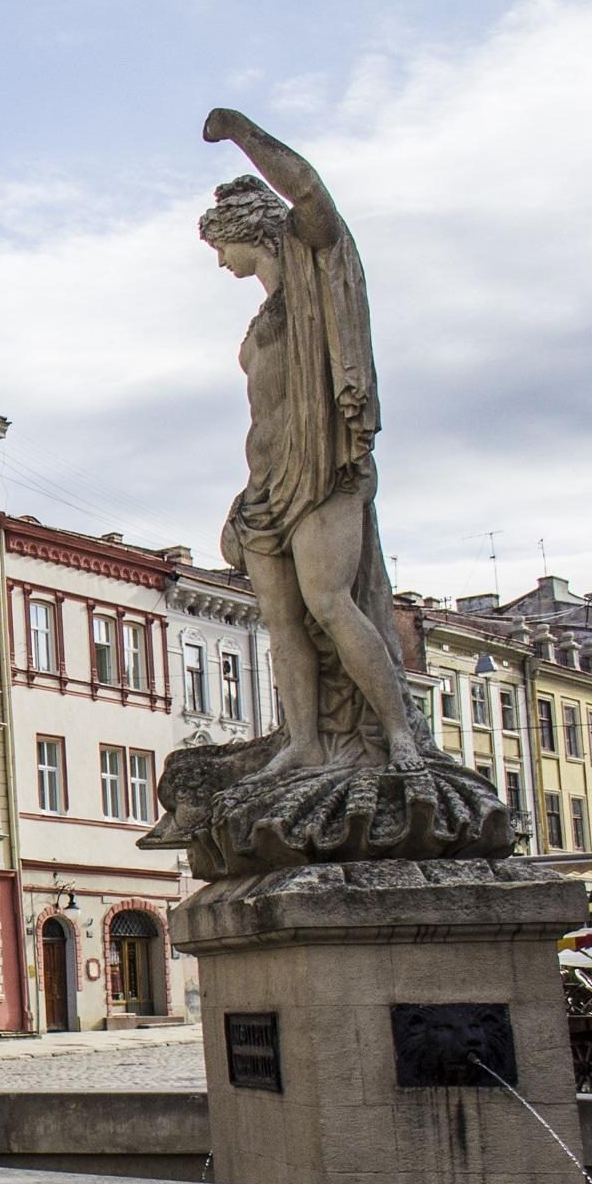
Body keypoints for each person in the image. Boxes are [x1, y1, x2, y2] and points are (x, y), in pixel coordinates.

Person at [199, 107, 422, 775]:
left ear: (248, 233)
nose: (219, 263)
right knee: (285, 624)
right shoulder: (264, 315)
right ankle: (305, 740)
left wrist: (241, 134)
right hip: (265, 480)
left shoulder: (314, 278)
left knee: (330, 603)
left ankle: (398, 736)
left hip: (320, 467)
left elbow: (309, 193)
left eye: (220, 248)